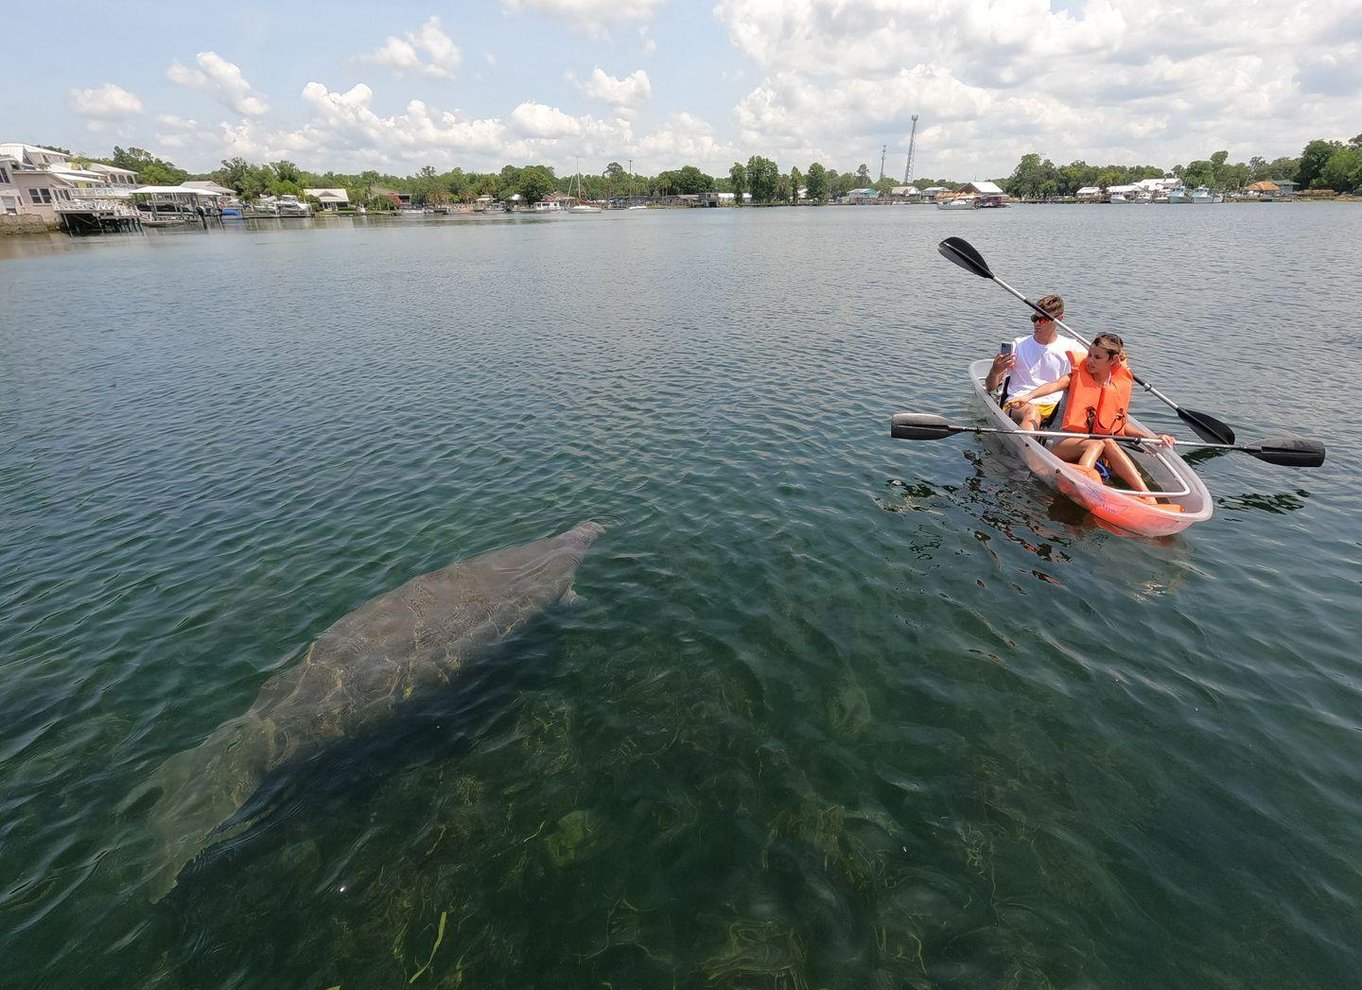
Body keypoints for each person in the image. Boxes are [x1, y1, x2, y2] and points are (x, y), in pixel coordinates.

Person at [1006, 332, 1175, 497]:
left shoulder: (1114, 386)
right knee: (1097, 444)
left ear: (1113, 360)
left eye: (1097, 357)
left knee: (1106, 442)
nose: (1090, 360)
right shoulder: (1074, 377)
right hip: (1057, 442)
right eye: (1089, 354)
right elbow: (1052, 386)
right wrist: (1027, 396)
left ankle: (1147, 496)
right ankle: (1087, 489)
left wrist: (1152, 437)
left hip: (1093, 442)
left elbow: (1120, 426)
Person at [985, 294, 1084, 432]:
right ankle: (1026, 449)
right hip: (1018, 403)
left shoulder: (1074, 348)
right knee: (1033, 413)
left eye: (1043, 319)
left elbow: (1100, 365)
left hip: (1055, 406)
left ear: (1059, 320)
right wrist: (995, 370)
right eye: (1034, 318)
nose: (1037, 323)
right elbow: (990, 387)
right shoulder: (1018, 346)